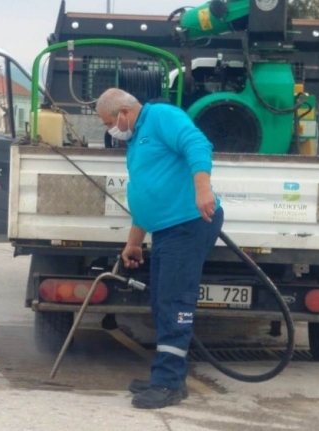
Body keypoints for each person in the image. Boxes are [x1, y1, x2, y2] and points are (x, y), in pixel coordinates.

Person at [95, 88, 224, 409]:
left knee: (174, 301)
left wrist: (203, 188)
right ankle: (170, 379)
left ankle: (166, 384)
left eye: (109, 122)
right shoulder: (138, 139)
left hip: (188, 223)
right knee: (161, 301)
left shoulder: (163, 117)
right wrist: (134, 242)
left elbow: (197, 144)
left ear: (125, 112)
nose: (110, 129)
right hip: (166, 230)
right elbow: (146, 190)